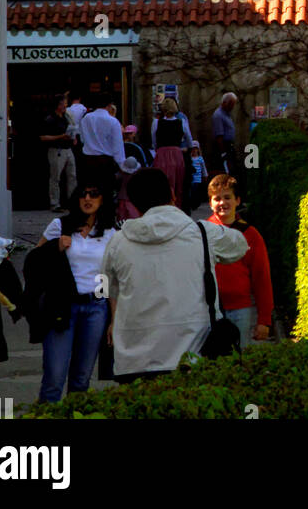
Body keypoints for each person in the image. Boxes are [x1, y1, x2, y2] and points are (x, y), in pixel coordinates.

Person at [102, 167, 247, 380]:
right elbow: (239, 246)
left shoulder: (117, 241)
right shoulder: (203, 233)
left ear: (134, 203)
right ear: (172, 193)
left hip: (133, 360)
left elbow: (104, 286)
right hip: (194, 355)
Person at [34, 183, 116, 403]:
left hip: (96, 306)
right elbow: (34, 261)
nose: (87, 199)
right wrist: (55, 248)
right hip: (63, 305)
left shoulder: (110, 231)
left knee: (81, 379)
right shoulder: (60, 225)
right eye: (83, 195)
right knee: (54, 377)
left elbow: (112, 277)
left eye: (94, 194)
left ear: (102, 199)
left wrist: (114, 319)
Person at [207, 174, 273, 347]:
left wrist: (264, 320)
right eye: (217, 199)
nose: (222, 203)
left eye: (227, 197)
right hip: (208, 310)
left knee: (238, 359)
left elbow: (261, 278)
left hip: (240, 309)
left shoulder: (251, 235)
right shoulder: (201, 232)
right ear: (210, 203)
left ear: (237, 200)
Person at [151, 98, 193, 215]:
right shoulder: (182, 123)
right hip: (176, 153)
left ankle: (160, 209)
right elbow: (189, 141)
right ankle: (176, 210)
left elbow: (154, 141)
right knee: (178, 184)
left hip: (162, 153)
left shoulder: (156, 123)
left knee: (161, 184)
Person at [79, 95, 125, 199]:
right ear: (109, 105)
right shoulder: (112, 121)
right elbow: (118, 146)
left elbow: (82, 138)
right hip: (105, 161)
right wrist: (122, 164)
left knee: (90, 192)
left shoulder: (86, 118)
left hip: (88, 159)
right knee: (106, 192)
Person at [40, 97, 76, 213]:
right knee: (55, 177)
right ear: (58, 105)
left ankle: (72, 201)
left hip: (68, 148)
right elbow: (43, 137)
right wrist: (61, 136)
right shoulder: (50, 119)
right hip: (57, 150)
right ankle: (55, 203)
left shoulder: (66, 118)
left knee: (72, 176)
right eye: (64, 104)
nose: (66, 106)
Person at [210, 93, 237, 178]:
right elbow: (219, 136)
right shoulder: (218, 115)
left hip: (229, 147)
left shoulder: (227, 114)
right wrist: (223, 153)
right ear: (225, 103)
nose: (232, 107)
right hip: (223, 147)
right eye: (231, 104)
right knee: (226, 173)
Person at [189, 144, 208, 210]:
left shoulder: (200, 158)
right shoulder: (189, 158)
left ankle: (196, 203)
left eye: (195, 149)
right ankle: (192, 203)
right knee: (192, 190)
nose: (194, 150)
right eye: (193, 149)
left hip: (198, 178)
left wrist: (205, 175)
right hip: (191, 177)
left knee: (196, 191)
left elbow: (203, 168)